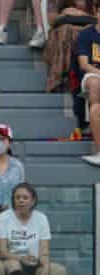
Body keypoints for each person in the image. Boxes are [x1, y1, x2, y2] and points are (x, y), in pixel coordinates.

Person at [0, 182, 68, 275]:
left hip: (35, 263)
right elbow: (2, 252)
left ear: (33, 201)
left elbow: (44, 252)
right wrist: (22, 258)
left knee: (59, 271)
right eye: (17, 198)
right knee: (15, 268)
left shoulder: (41, 218)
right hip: (13, 261)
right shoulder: (4, 217)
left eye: (25, 198)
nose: (21, 200)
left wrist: (46, 267)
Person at [76, 13, 100, 165]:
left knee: (96, 109)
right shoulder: (86, 34)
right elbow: (84, 64)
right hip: (93, 74)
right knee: (95, 84)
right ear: (97, 13)